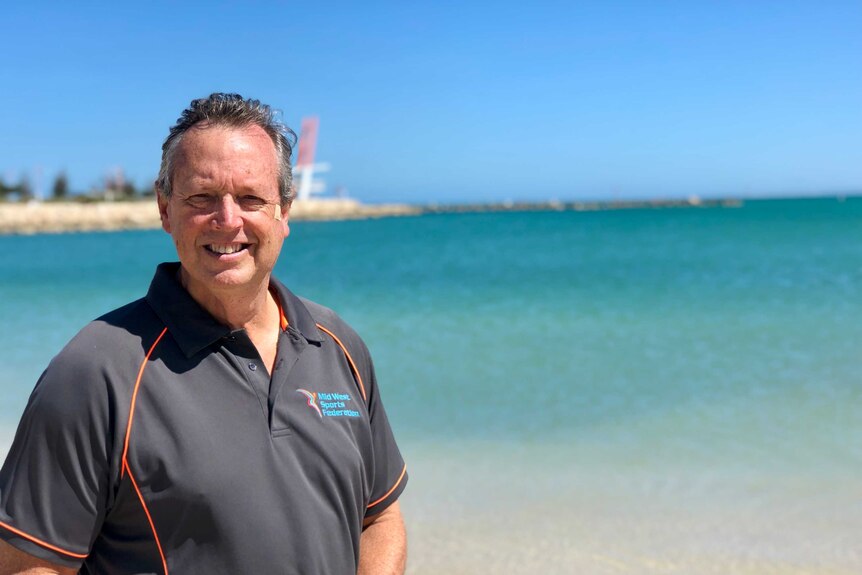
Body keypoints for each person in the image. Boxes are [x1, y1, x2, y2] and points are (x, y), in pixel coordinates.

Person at [0, 93, 408, 575]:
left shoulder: (338, 345)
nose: (228, 219)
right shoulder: (95, 371)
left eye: (252, 198)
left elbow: (379, 517)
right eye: (202, 198)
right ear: (165, 209)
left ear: (284, 213)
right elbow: (28, 566)